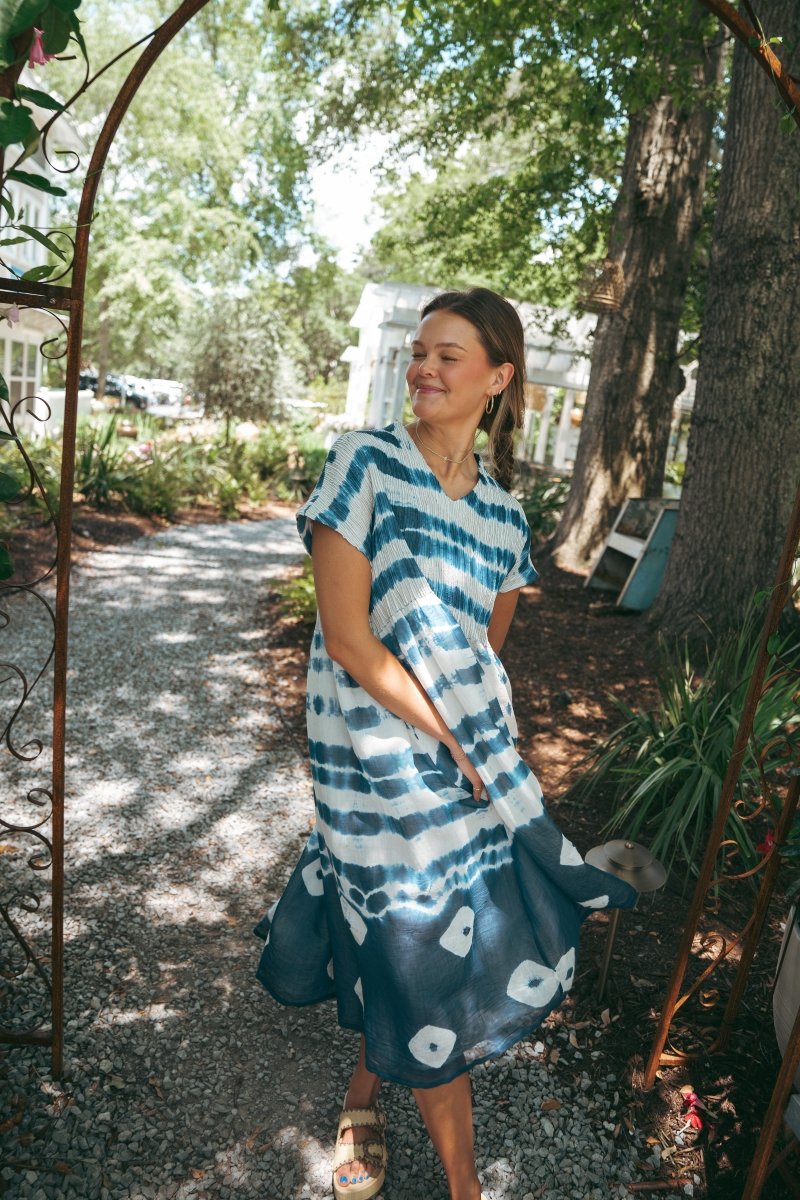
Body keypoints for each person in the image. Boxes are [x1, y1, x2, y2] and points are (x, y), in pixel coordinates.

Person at [254, 286, 637, 1200]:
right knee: (420, 942)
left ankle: (360, 1093)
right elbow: (348, 638)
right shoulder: (364, 466)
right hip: (368, 758)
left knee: (409, 936)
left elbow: (483, 654)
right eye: (419, 351)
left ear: (498, 378)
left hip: (460, 758)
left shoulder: (506, 520)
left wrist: (472, 746)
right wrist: (455, 740)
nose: (423, 367)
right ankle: (466, 1187)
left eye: (449, 354)